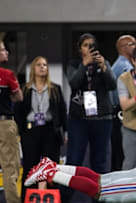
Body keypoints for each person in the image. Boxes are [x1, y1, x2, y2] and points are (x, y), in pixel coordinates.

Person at [14, 56, 67, 200]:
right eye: (39, 65)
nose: (42, 67)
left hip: (50, 131)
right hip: (31, 131)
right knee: (30, 168)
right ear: (33, 69)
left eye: (45, 64)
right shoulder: (25, 89)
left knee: (51, 168)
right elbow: (18, 112)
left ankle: (53, 198)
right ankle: (27, 198)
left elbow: (62, 112)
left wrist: (66, 131)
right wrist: (22, 131)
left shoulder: (55, 89)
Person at [66, 33, 116, 173]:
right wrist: (84, 65)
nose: (89, 48)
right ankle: (67, 195)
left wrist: (104, 69)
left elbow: (112, 85)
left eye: (91, 45)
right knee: (74, 160)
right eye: (85, 45)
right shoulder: (74, 64)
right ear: (80, 48)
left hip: (101, 118)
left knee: (100, 162)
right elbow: (74, 83)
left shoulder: (103, 63)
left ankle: (99, 195)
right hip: (79, 119)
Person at [110, 34, 136, 171]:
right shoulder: (124, 66)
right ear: (123, 47)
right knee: (124, 156)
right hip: (122, 114)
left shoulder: (118, 65)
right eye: (132, 44)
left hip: (118, 113)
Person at [0, 40, 23, 203]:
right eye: (2, 50)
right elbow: (18, 97)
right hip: (4, 124)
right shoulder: (7, 74)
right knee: (10, 167)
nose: (6, 52)